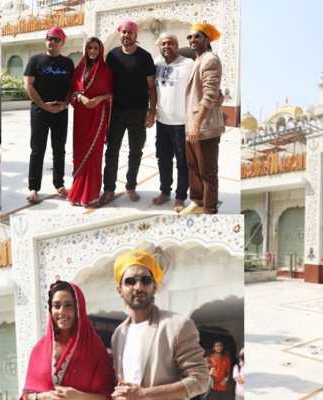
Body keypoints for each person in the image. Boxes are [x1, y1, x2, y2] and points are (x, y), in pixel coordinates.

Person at [111, 248, 209, 400]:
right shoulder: (118, 334)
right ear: (120, 290)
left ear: (154, 286)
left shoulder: (177, 326)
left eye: (145, 280)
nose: (139, 287)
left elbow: (200, 380)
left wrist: (144, 394)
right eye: (130, 281)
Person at [22, 281, 115, 399]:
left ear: (78, 309)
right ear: (50, 309)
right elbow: (26, 396)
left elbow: (110, 396)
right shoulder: (39, 350)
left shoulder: (94, 349)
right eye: (56, 306)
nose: (62, 312)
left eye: (68, 305)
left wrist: (79, 397)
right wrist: (42, 397)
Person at [100, 20, 157, 205]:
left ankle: (131, 186)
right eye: (124, 32)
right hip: (116, 112)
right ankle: (108, 189)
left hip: (138, 112)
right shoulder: (113, 56)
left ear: (135, 35)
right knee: (112, 151)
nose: (126, 35)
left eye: (130, 32)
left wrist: (152, 111)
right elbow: (106, 83)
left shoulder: (145, 57)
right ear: (120, 34)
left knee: (135, 151)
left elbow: (151, 87)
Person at [24, 26, 74, 204]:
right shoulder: (35, 60)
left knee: (59, 149)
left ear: (62, 43)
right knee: (37, 149)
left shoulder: (68, 63)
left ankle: (59, 184)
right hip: (40, 112)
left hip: (60, 112)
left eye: (56, 39)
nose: (52, 42)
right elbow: (29, 85)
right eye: (49, 38)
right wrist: (44, 105)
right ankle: (33, 188)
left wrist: (65, 103)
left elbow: (71, 87)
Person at [67, 37, 113, 207]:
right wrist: (81, 97)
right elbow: (72, 92)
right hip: (81, 117)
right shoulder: (79, 69)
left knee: (94, 155)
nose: (92, 51)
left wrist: (98, 99)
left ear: (100, 50)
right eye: (89, 48)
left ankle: (90, 194)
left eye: (96, 48)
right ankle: (77, 192)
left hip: (97, 117)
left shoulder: (106, 70)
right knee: (79, 154)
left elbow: (110, 94)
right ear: (86, 50)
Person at [185, 22, 225, 214]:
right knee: (193, 167)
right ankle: (198, 201)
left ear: (207, 39)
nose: (192, 40)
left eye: (197, 36)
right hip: (193, 125)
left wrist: (196, 125)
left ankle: (209, 209)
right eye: (190, 37)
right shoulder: (198, 60)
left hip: (204, 127)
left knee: (207, 171)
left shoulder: (210, 60)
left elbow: (209, 95)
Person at [152, 33, 194, 213]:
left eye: (171, 43)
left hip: (181, 123)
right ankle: (165, 192)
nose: (167, 46)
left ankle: (180, 197)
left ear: (177, 46)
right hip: (162, 122)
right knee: (163, 160)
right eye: (164, 44)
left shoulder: (188, 64)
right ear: (159, 47)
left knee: (182, 162)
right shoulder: (157, 65)